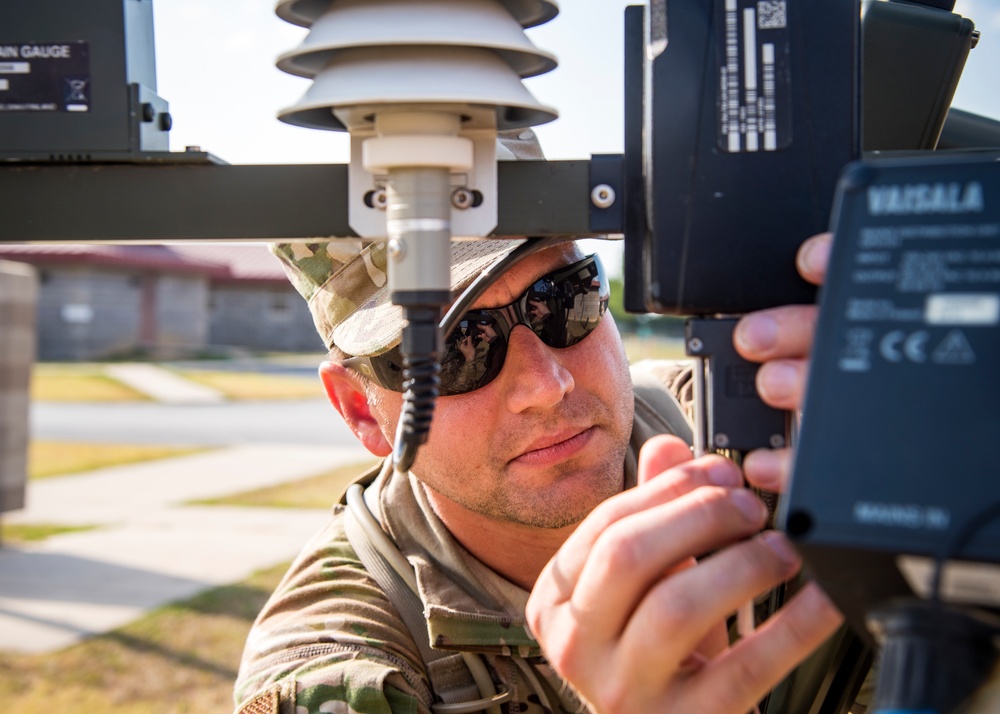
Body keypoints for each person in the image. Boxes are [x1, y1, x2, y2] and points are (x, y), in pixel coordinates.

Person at [232, 130, 842, 713]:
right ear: (364, 412)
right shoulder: (339, 662)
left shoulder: (775, 430)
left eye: (562, 301)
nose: (547, 386)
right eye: (454, 351)